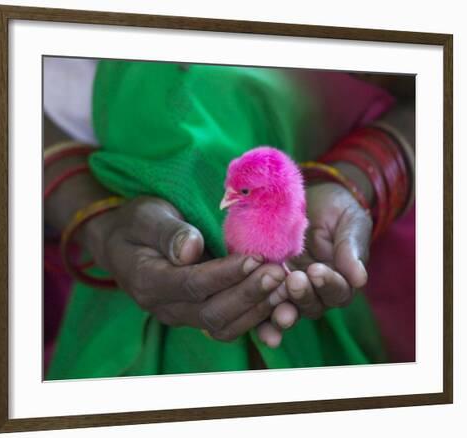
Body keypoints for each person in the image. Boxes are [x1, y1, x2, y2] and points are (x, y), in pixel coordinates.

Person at [43, 58, 415, 379]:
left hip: (384, 278)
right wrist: (98, 223)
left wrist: (364, 176)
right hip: (97, 284)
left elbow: (445, 81)